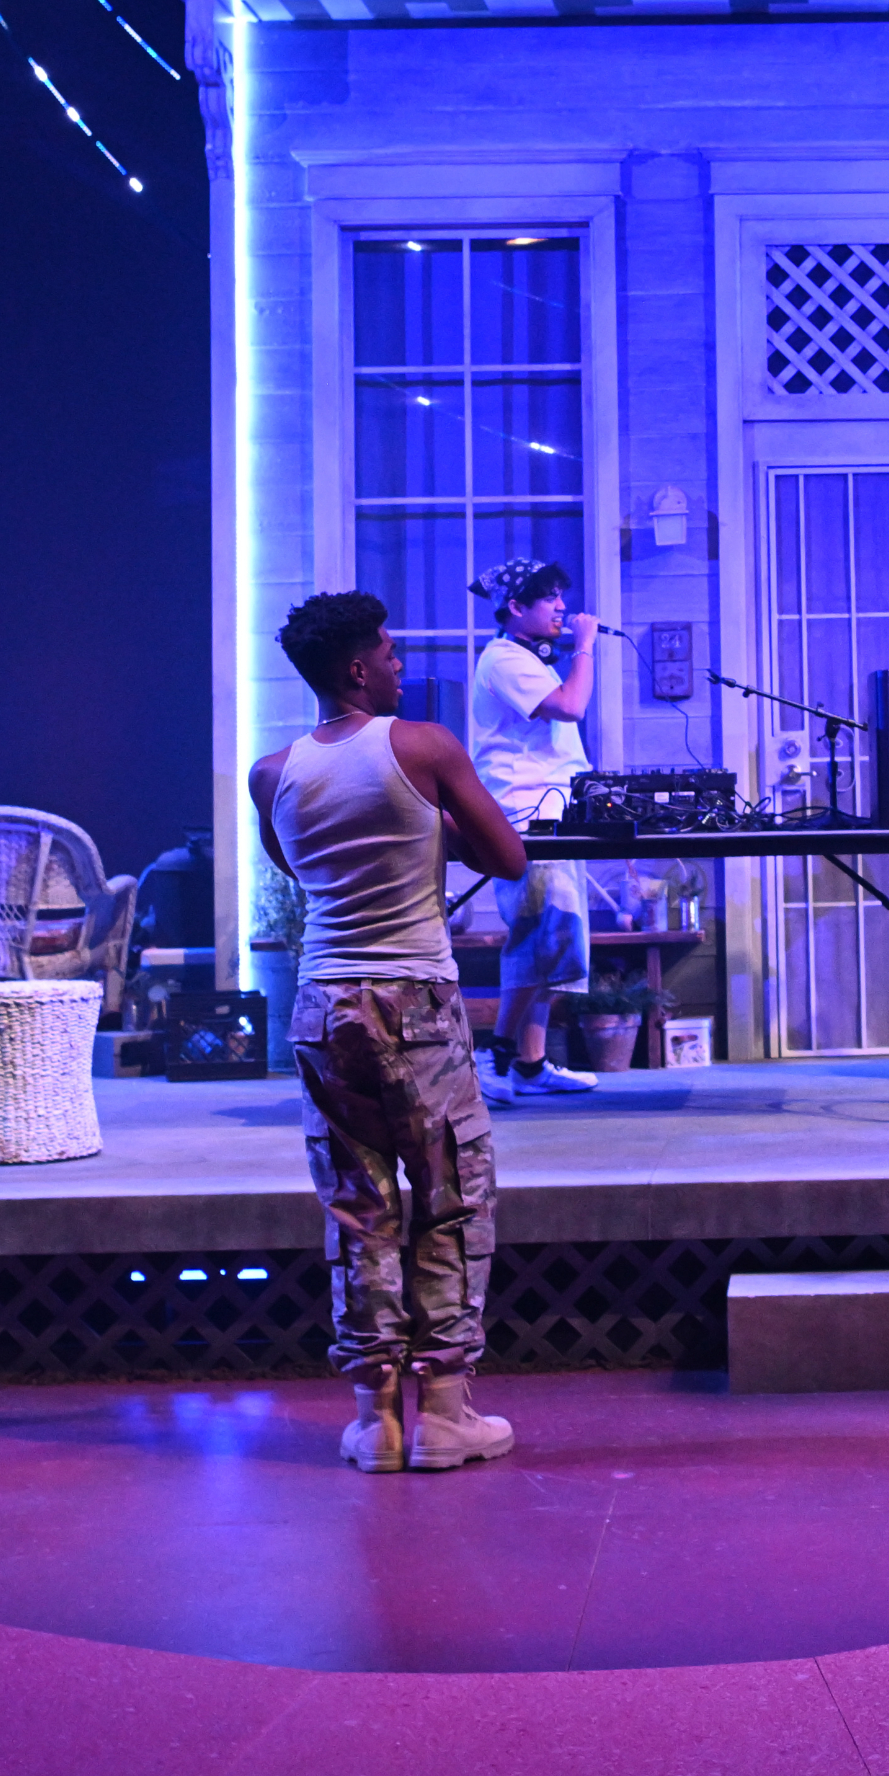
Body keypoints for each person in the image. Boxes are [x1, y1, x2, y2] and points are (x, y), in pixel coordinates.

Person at [251, 589, 533, 1472]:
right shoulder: (424, 747)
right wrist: (433, 825)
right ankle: (445, 1412)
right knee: (449, 1195)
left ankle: (377, 1420)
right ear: (356, 669)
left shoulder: (275, 770)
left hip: (322, 1004)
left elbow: (293, 865)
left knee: (357, 1205)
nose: (401, 665)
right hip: (411, 998)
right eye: (391, 652)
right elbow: (508, 858)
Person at [465, 557, 602, 1103]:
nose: (563, 609)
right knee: (538, 937)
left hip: (551, 813)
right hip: (525, 817)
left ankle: (530, 1064)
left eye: (563, 599)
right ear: (516, 607)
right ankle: (491, 1056)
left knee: (554, 938)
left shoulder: (527, 659)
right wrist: (586, 646)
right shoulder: (504, 659)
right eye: (550, 600)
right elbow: (571, 707)